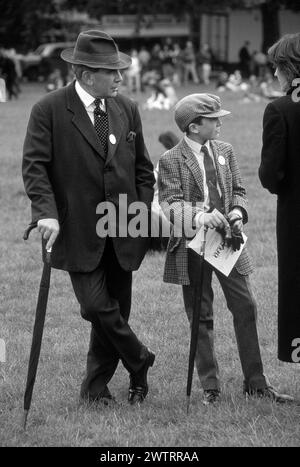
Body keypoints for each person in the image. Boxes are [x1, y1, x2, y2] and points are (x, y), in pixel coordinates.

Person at [22, 30, 156, 407]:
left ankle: (97, 389)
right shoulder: (48, 109)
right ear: (84, 75)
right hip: (78, 226)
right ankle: (140, 358)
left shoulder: (126, 107)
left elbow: (143, 167)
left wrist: (141, 212)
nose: (119, 78)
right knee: (96, 305)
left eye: (119, 71)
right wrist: (45, 213)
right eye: (111, 72)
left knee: (116, 307)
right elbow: (35, 167)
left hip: (125, 222)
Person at [158, 93, 294, 405]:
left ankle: (256, 383)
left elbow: (239, 191)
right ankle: (211, 387)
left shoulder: (225, 151)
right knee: (201, 314)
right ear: (194, 127)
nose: (220, 123)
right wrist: (199, 216)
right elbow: (170, 204)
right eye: (213, 119)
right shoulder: (170, 160)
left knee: (245, 305)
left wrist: (237, 212)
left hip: (227, 241)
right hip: (193, 245)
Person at [259, 33, 300, 364]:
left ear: (289, 68)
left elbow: (270, 175)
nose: (274, 75)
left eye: (277, 67)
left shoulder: (281, 110)